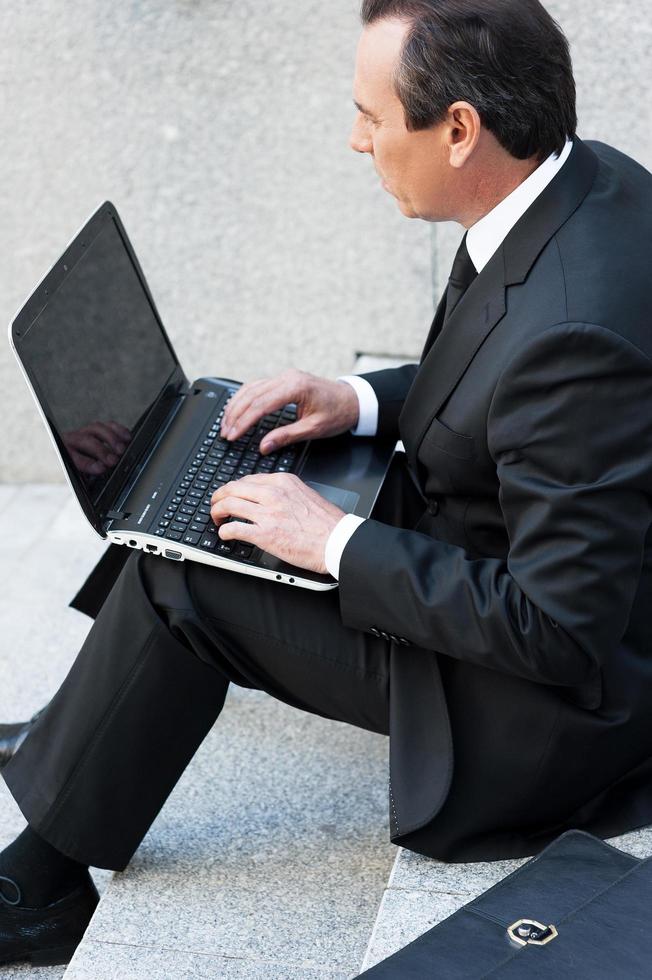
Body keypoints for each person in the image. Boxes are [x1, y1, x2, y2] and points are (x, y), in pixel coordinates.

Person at [2, 0, 652, 966]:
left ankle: (40, 893)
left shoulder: (574, 328)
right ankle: (87, 722)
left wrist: (334, 543)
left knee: (186, 570)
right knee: (230, 475)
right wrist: (356, 400)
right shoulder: (580, 183)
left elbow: (555, 628)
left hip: (546, 711)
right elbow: (506, 379)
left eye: (374, 117)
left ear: (462, 129)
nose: (357, 141)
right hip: (481, 533)